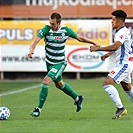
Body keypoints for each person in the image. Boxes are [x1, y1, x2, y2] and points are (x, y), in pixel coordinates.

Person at [28, 12, 99, 117]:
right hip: (49, 63)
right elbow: (35, 41)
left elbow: (79, 38)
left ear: (59, 23)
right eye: (50, 23)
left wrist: (93, 43)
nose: (51, 25)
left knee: (45, 82)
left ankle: (38, 109)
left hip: (60, 63)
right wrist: (31, 50)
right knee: (59, 84)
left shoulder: (66, 31)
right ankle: (77, 98)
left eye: (53, 24)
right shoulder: (46, 29)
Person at [90, 10, 133, 119]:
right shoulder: (124, 31)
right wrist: (108, 54)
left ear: (119, 21)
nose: (111, 22)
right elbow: (119, 47)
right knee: (127, 87)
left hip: (124, 64)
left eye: (113, 20)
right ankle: (121, 108)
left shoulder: (121, 32)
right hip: (126, 62)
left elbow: (115, 46)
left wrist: (99, 48)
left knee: (107, 83)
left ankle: (120, 108)